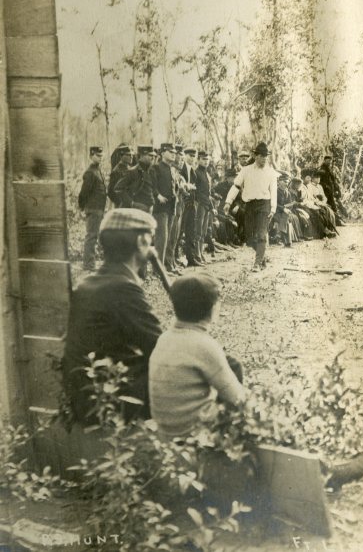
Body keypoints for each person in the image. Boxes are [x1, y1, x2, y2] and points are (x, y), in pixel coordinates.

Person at [61, 208, 164, 425]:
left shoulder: (89, 284)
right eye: (150, 238)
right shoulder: (122, 288)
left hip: (88, 395)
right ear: (141, 241)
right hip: (109, 400)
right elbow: (160, 348)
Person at [149, 273, 246, 437]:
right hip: (194, 434)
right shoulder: (205, 346)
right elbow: (237, 399)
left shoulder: (163, 339)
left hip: (165, 431)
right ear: (213, 309)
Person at [223, 142, 279, 271]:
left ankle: (257, 263)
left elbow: (274, 191)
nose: (264, 159)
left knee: (261, 234)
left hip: (264, 205)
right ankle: (262, 257)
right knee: (249, 238)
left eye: (266, 156)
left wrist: (273, 208)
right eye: (261, 156)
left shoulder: (271, 172)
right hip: (249, 205)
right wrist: (228, 202)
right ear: (255, 156)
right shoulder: (246, 170)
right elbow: (236, 186)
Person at [78, 145, 107, 270]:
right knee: (91, 236)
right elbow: (84, 193)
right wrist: (82, 206)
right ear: (91, 156)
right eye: (97, 156)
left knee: (94, 236)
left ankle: (90, 262)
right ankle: (88, 264)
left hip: (98, 209)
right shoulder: (90, 173)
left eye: (101, 156)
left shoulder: (97, 170)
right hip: (93, 209)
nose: (100, 158)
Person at [152, 143, 179, 272]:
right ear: (162, 153)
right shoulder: (156, 168)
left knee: (169, 238)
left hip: (171, 207)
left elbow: (175, 187)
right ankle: (158, 269)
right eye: (170, 151)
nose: (173, 154)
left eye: (174, 152)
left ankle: (168, 266)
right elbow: (152, 185)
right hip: (160, 207)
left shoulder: (172, 169)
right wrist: (158, 196)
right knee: (161, 239)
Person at [191, 151, 213, 265]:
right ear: (198, 159)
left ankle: (201, 253)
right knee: (198, 230)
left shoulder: (207, 174)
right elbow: (196, 192)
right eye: (203, 159)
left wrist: (211, 205)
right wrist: (206, 203)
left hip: (206, 205)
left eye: (207, 159)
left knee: (204, 230)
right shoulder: (196, 173)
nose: (206, 161)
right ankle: (197, 254)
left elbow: (208, 192)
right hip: (199, 204)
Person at [318, 153, 343, 223]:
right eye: (328, 161)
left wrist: (337, 188)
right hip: (324, 191)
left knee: (333, 205)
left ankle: (336, 221)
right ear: (324, 160)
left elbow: (333, 180)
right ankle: (330, 221)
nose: (329, 162)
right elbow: (319, 181)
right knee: (327, 205)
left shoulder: (329, 169)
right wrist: (326, 186)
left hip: (330, 190)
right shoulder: (321, 169)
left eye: (330, 161)